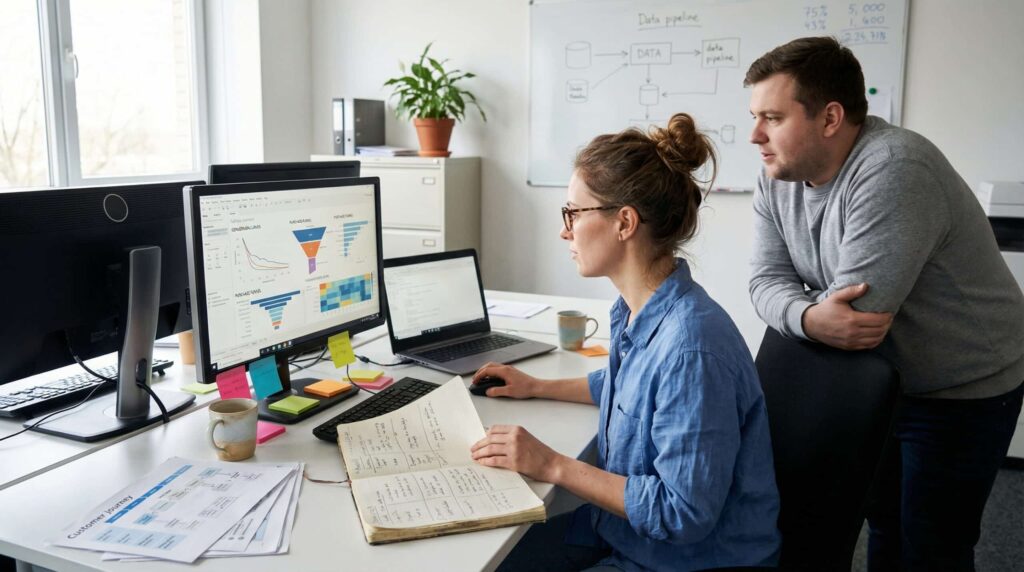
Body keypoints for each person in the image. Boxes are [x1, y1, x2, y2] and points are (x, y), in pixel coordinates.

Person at [745, 36, 1024, 571]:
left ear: (830, 118)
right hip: (878, 381)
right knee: (884, 523)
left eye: (772, 118)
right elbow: (762, 280)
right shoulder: (775, 175)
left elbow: (858, 319)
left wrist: (797, 310)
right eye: (755, 116)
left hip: (961, 385)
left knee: (933, 543)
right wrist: (806, 314)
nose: (755, 135)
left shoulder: (896, 168)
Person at [470, 113, 781, 571]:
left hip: (685, 560)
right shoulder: (641, 309)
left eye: (573, 213)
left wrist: (552, 464)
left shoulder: (692, 349)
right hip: (624, 534)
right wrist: (536, 385)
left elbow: (683, 512)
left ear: (624, 222)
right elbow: (627, 385)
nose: (564, 229)